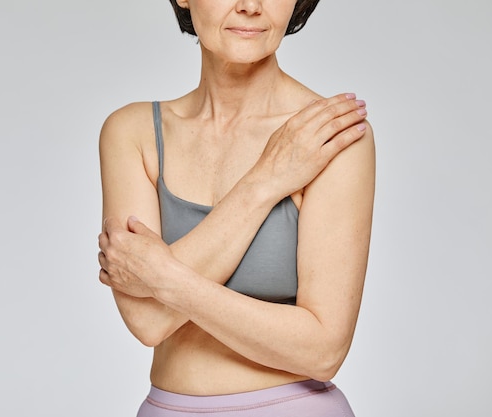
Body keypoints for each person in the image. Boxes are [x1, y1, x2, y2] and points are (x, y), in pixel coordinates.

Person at [97, 0, 375, 415]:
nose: (250, 7)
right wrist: (265, 181)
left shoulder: (330, 137)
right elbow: (147, 322)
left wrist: (163, 277)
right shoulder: (132, 132)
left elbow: (323, 352)